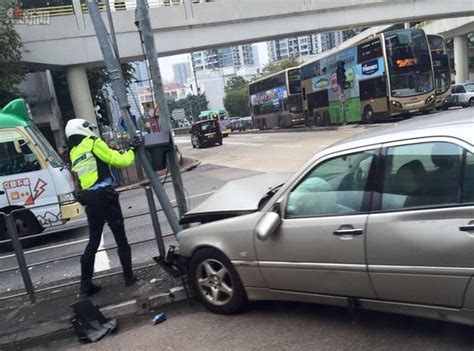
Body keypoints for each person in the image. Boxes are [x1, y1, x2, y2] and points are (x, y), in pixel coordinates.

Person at [65, 119, 142, 296]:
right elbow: (119, 161)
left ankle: (85, 286)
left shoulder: (74, 151)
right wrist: (132, 149)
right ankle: (129, 277)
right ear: (82, 129)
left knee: (93, 242)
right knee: (120, 237)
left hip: (90, 201)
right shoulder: (93, 143)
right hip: (106, 198)